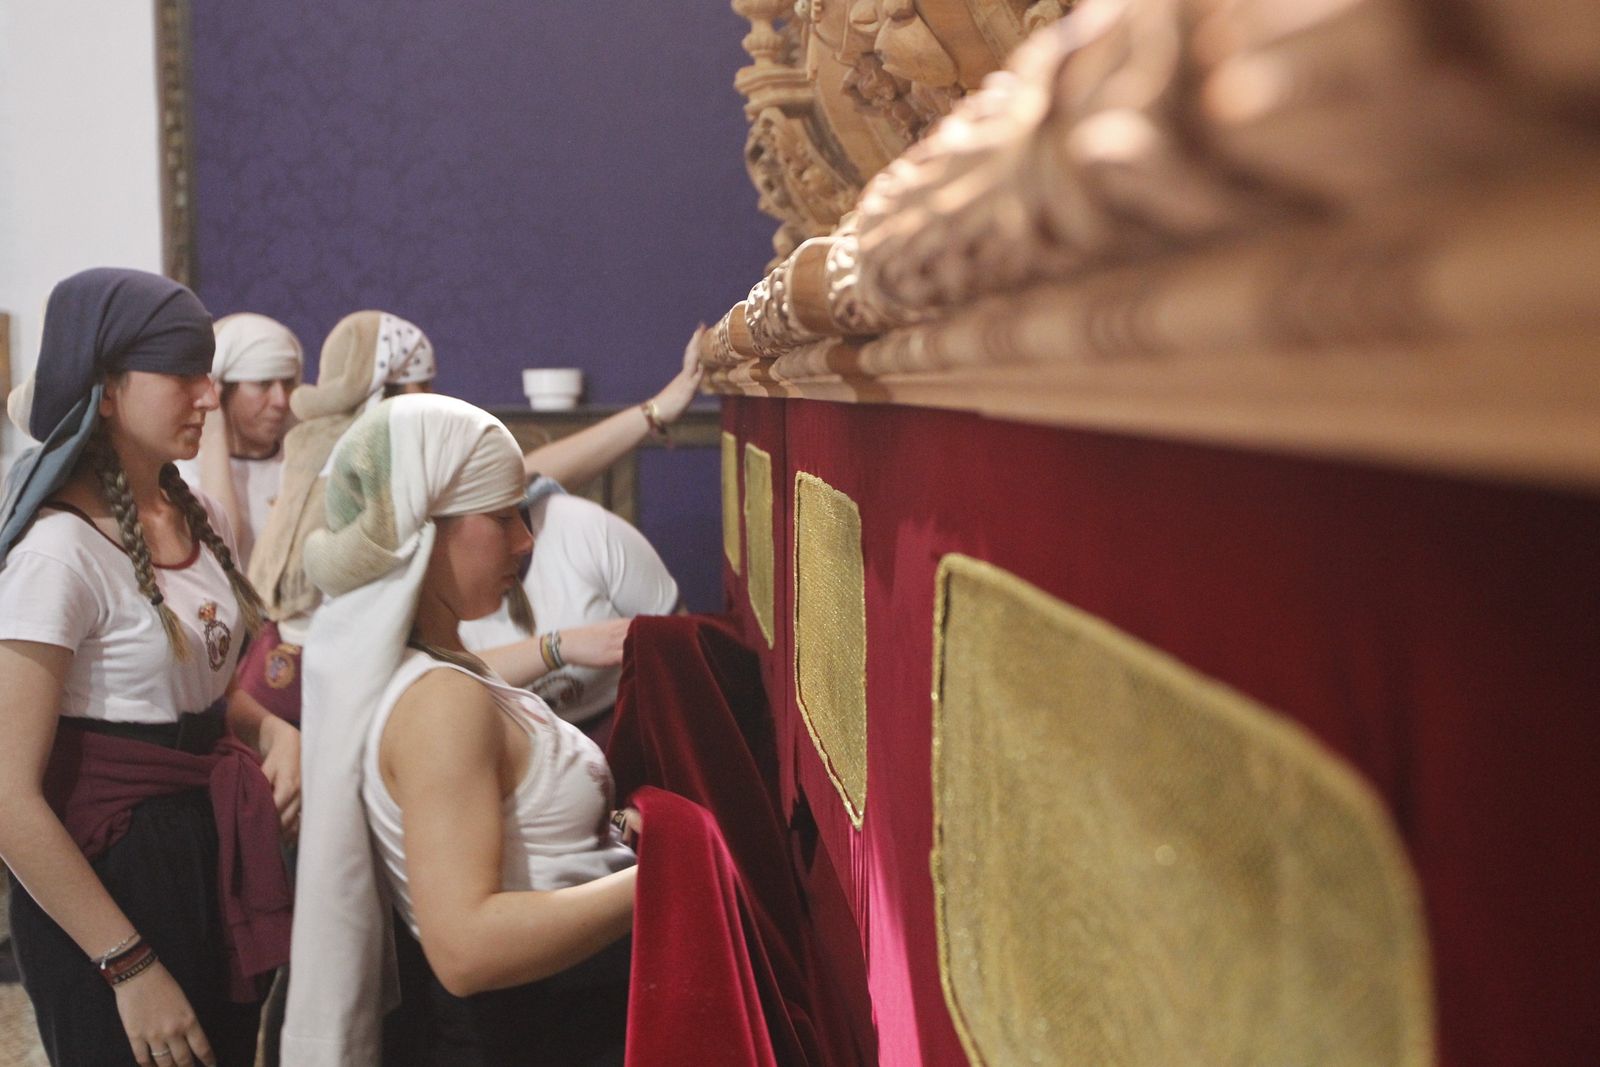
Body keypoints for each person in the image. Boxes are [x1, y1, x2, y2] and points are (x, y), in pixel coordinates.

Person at [281, 394, 638, 1067]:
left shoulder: (442, 667)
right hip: (533, 1033)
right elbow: (465, 948)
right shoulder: (440, 702)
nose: (526, 540)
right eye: (503, 516)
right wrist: (666, 875)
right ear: (425, 527)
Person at [0, 268, 292, 1067]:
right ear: (104, 389)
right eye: (182, 373)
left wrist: (272, 731)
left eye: (209, 371)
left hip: (207, 854)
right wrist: (129, 966)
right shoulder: (57, 555)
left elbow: (188, 695)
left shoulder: (204, 518)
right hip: (110, 882)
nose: (208, 394)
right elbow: (7, 797)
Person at [460, 479, 680, 743]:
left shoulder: (579, 526)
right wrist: (559, 647)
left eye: (515, 514)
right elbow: (448, 682)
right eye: (503, 520)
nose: (526, 542)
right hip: (519, 751)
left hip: (630, 728)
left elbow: (678, 655)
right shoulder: (415, 589)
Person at [174, 313, 303, 571]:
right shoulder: (181, 470)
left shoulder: (302, 464)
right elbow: (219, 548)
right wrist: (212, 436)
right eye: (263, 384)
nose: (281, 400)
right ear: (222, 391)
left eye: (288, 384)